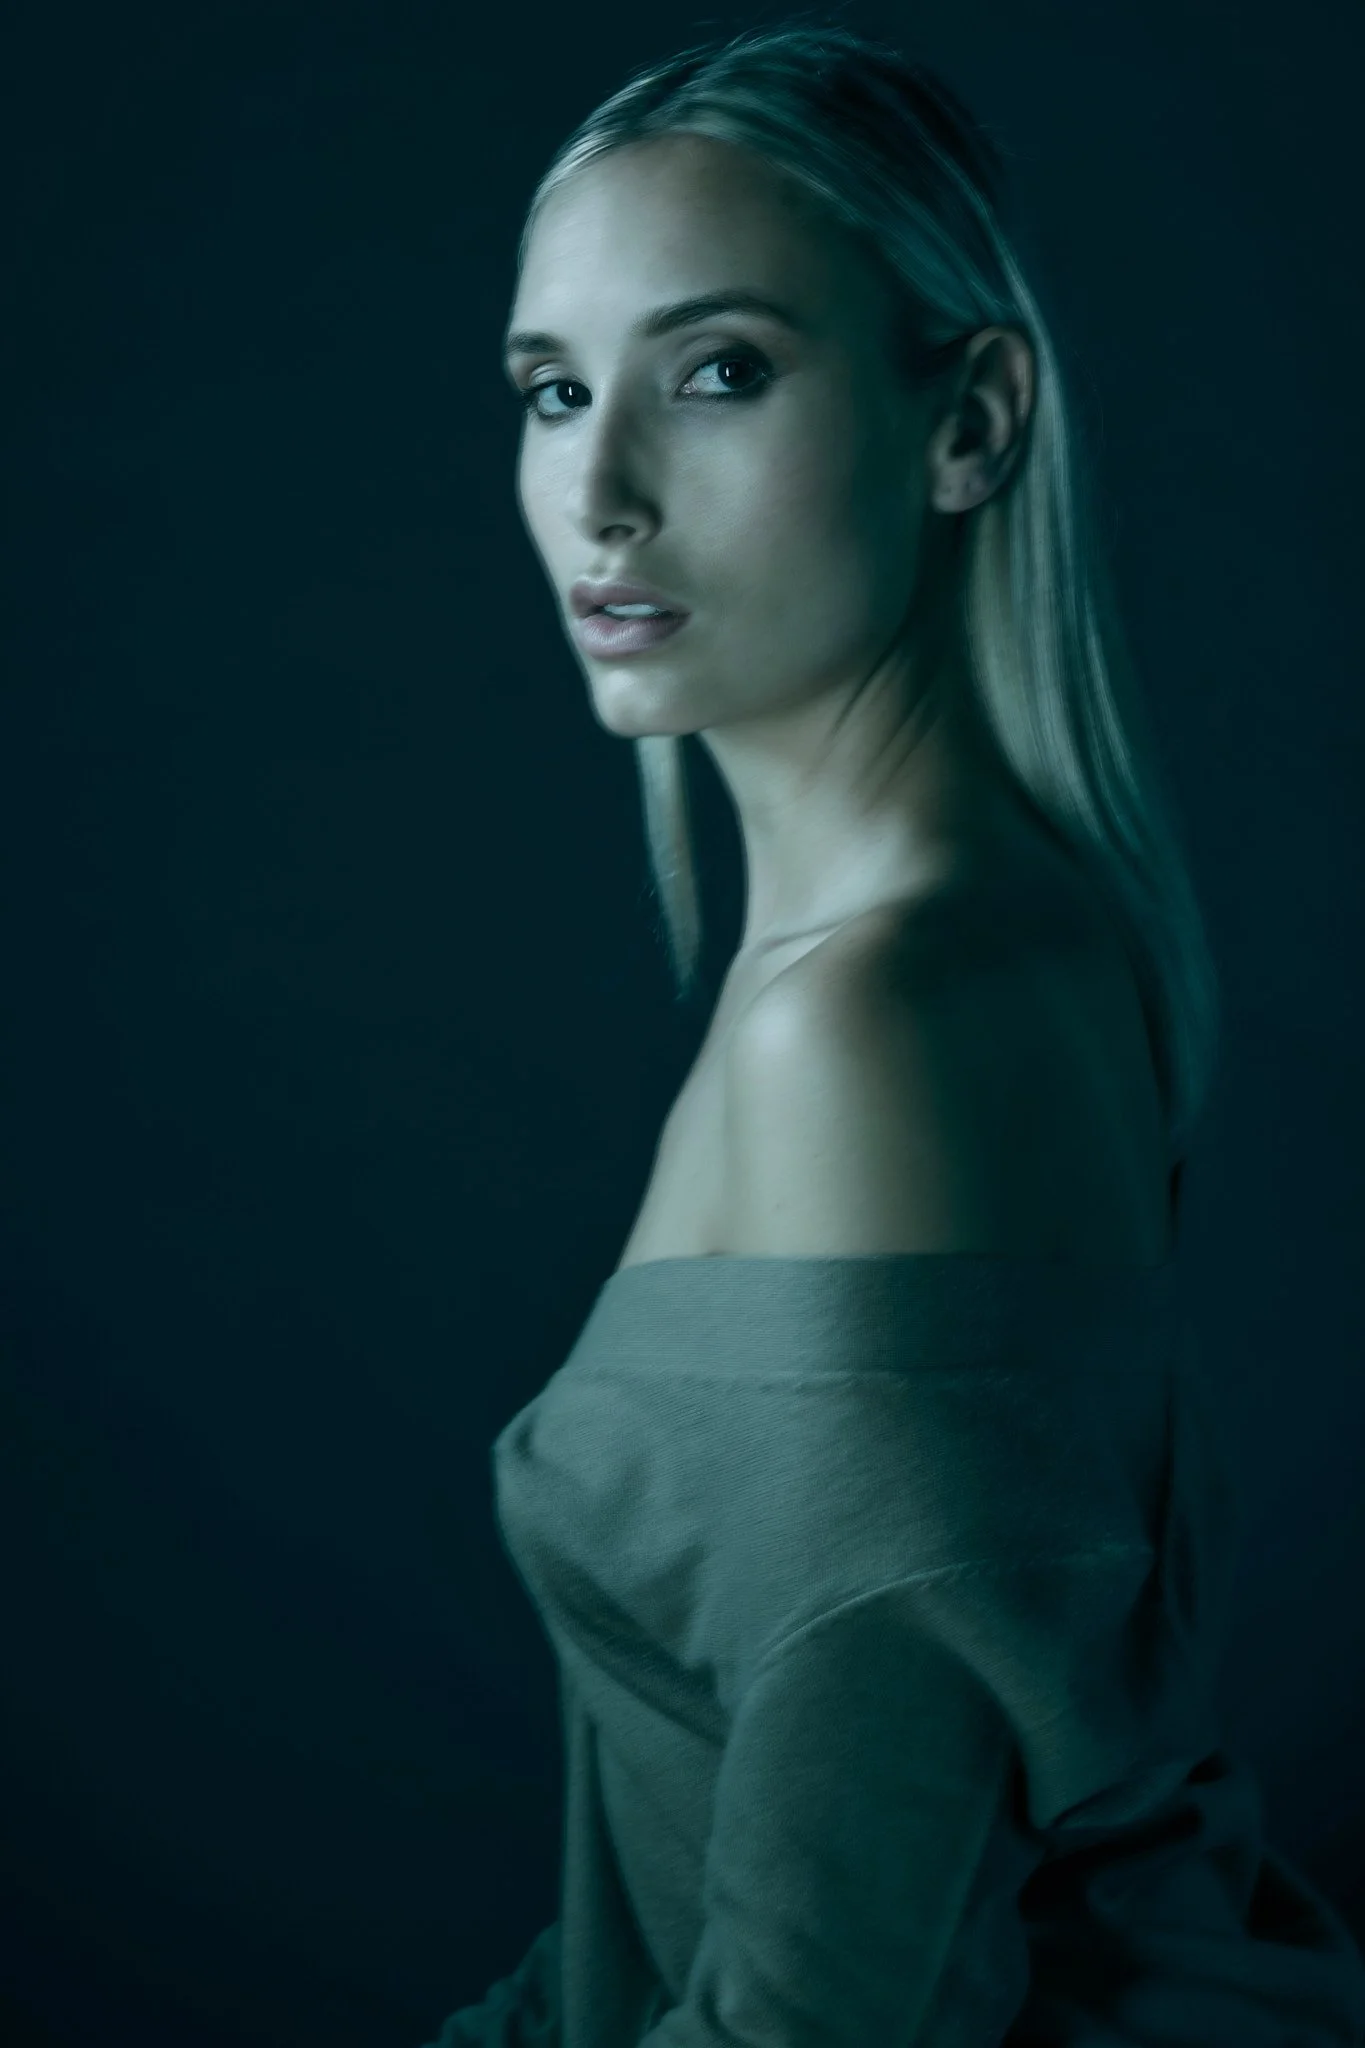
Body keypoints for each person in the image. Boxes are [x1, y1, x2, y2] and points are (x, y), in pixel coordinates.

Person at [423, 19, 1365, 2045]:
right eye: (549, 390)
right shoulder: (1003, 940)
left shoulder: (878, 1025)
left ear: (971, 420)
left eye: (720, 371)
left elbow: (829, 2004)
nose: (597, 490)